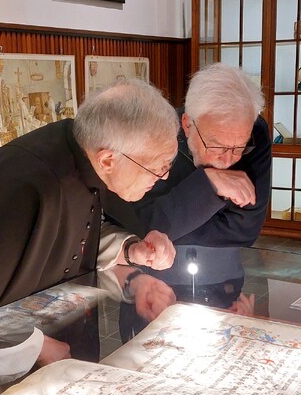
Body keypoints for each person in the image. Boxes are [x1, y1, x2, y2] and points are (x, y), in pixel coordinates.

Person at [0, 79, 180, 368]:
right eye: (157, 167)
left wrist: (130, 250)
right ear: (108, 160)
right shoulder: (29, 187)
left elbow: (62, 237)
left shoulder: (79, 151)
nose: (163, 177)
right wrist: (34, 347)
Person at [103, 62, 272, 340]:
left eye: (238, 148)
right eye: (216, 146)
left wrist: (171, 219)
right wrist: (209, 184)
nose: (227, 160)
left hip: (224, 287)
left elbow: (244, 230)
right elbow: (134, 226)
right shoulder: (153, 134)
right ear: (186, 125)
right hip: (150, 285)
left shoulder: (253, 131)